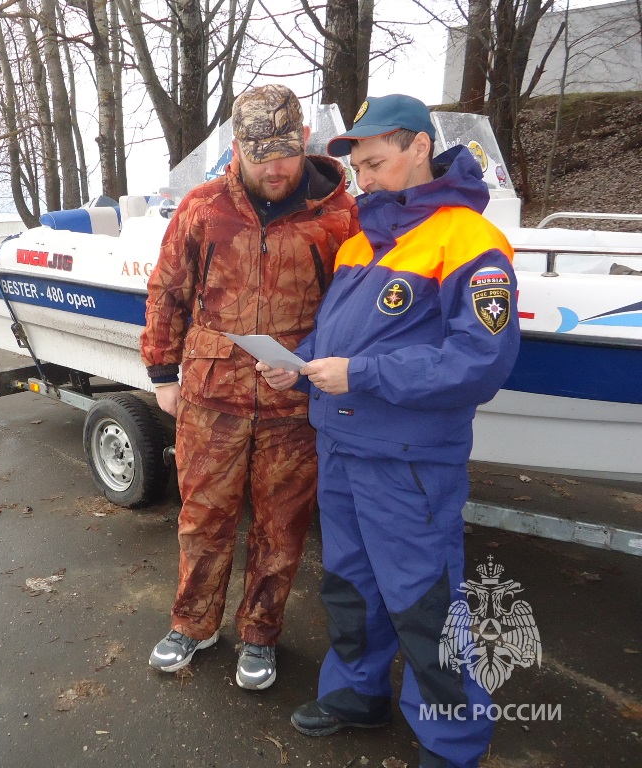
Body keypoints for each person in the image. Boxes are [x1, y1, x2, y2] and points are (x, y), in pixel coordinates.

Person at [259, 94, 520, 767]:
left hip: (409, 461)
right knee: (349, 582)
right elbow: (336, 335)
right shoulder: (362, 237)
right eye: (358, 168)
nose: (364, 180)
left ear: (417, 147)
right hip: (342, 444)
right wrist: (300, 365)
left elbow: (478, 363)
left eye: (374, 163)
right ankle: (356, 692)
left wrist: (364, 373)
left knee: (426, 599)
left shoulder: (470, 240)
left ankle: (452, 739)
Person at [140, 84, 359, 690]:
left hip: (295, 399)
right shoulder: (202, 208)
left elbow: (357, 309)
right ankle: (193, 623)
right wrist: (163, 375)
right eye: (261, 153)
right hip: (211, 397)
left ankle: (260, 634)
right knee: (203, 517)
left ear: (304, 144)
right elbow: (166, 290)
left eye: (286, 152)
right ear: (238, 147)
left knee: (281, 526)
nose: (275, 167)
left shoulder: (339, 215)